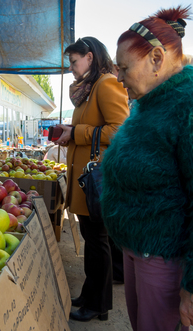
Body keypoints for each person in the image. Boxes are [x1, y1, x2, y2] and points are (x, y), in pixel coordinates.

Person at [101, 6, 193, 330]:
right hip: (135, 247)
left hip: (162, 254)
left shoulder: (186, 106)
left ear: (156, 59)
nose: (118, 77)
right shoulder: (146, 102)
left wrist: (191, 286)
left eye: (124, 68)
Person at [54, 37, 129, 322]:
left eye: (74, 62)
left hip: (97, 181)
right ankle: (90, 293)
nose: (71, 68)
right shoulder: (88, 88)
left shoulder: (106, 84)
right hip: (86, 181)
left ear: (89, 56)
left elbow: (120, 130)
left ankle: (99, 304)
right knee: (93, 240)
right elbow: (92, 128)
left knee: (98, 243)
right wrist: (69, 133)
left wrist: (78, 133)